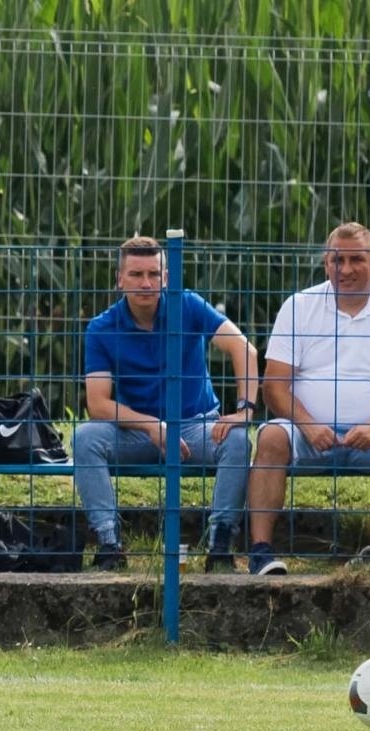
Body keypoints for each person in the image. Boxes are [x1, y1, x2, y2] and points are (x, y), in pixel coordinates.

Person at [245, 222, 370, 576]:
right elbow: (274, 387)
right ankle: (261, 553)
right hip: (309, 434)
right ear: (325, 263)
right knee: (270, 437)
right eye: (337, 260)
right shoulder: (298, 307)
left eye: (356, 260)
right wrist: (309, 425)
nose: (345, 269)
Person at [73, 235, 257, 571]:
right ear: (120, 279)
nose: (146, 283)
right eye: (136, 274)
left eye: (154, 274)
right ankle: (109, 544)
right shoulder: (101, 328)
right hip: (137, 432)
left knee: (238, 441)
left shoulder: (188, 304)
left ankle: (220, 545)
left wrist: (244, 410)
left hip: (196, 426)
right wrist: (149, 425)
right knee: (85, 438)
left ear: (166, 278)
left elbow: (243, 349)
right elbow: (97, 404)